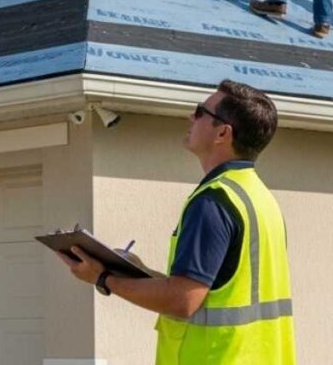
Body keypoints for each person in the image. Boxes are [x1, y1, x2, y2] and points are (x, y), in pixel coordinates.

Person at [56, 80, 295, 364]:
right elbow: (210, 291)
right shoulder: (260, 198)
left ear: (222, 132)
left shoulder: (213, 202)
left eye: (200, 112)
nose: (190, 118)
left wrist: (103, 277)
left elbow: (183, 301)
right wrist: (140, 271)